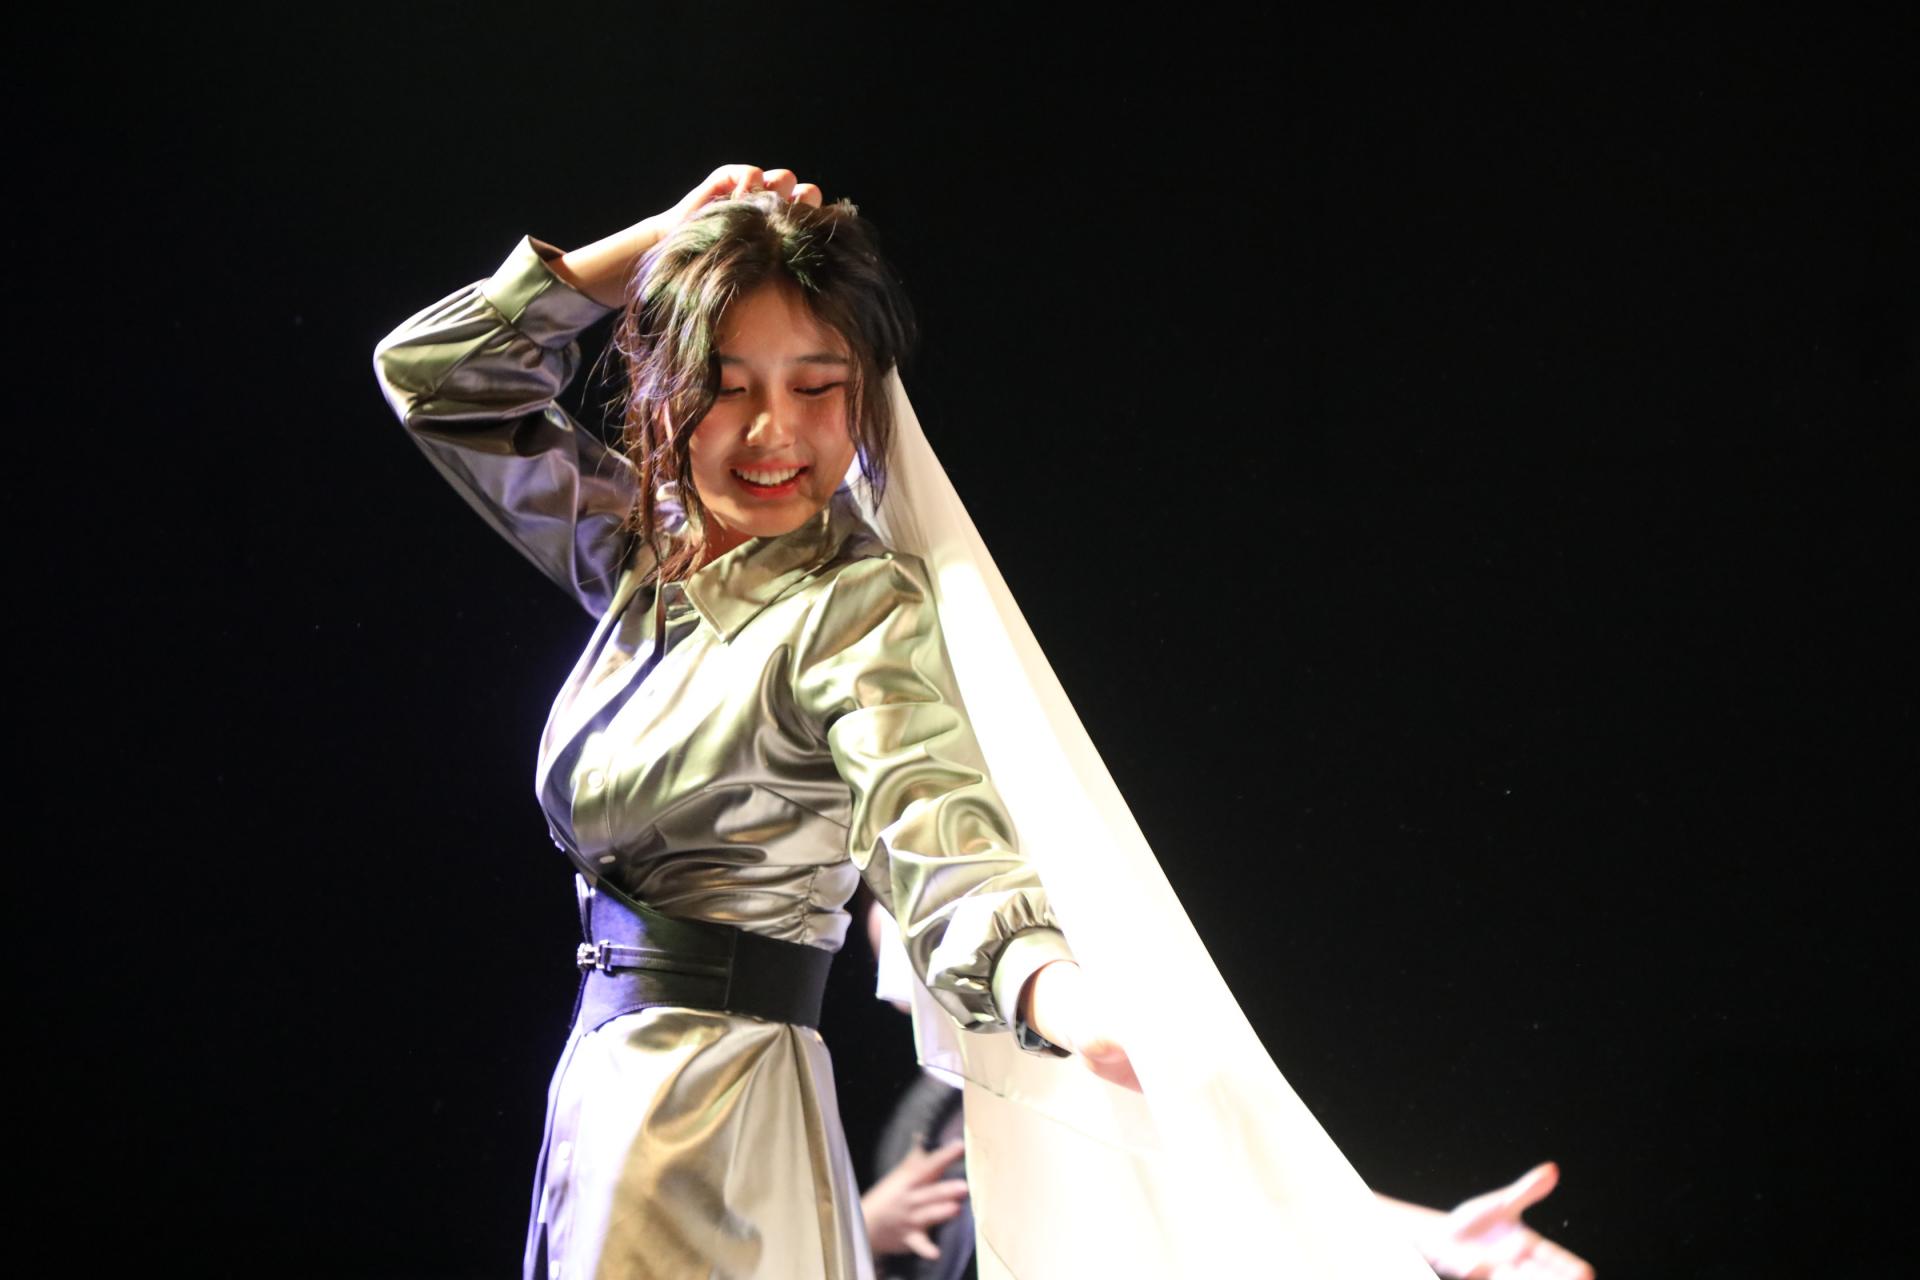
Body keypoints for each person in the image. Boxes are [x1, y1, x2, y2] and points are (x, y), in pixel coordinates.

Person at [373, 165, 1136, 1280]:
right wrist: (659, 242)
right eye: (726, 387)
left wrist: (1051, 988)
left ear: (865, 398)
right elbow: (439, 379)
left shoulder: (853, 610)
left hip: (715, 1122)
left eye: (818, 386)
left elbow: (932, 820)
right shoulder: (653, 555)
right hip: (615, 1096)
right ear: (660, 392)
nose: (775, 430)